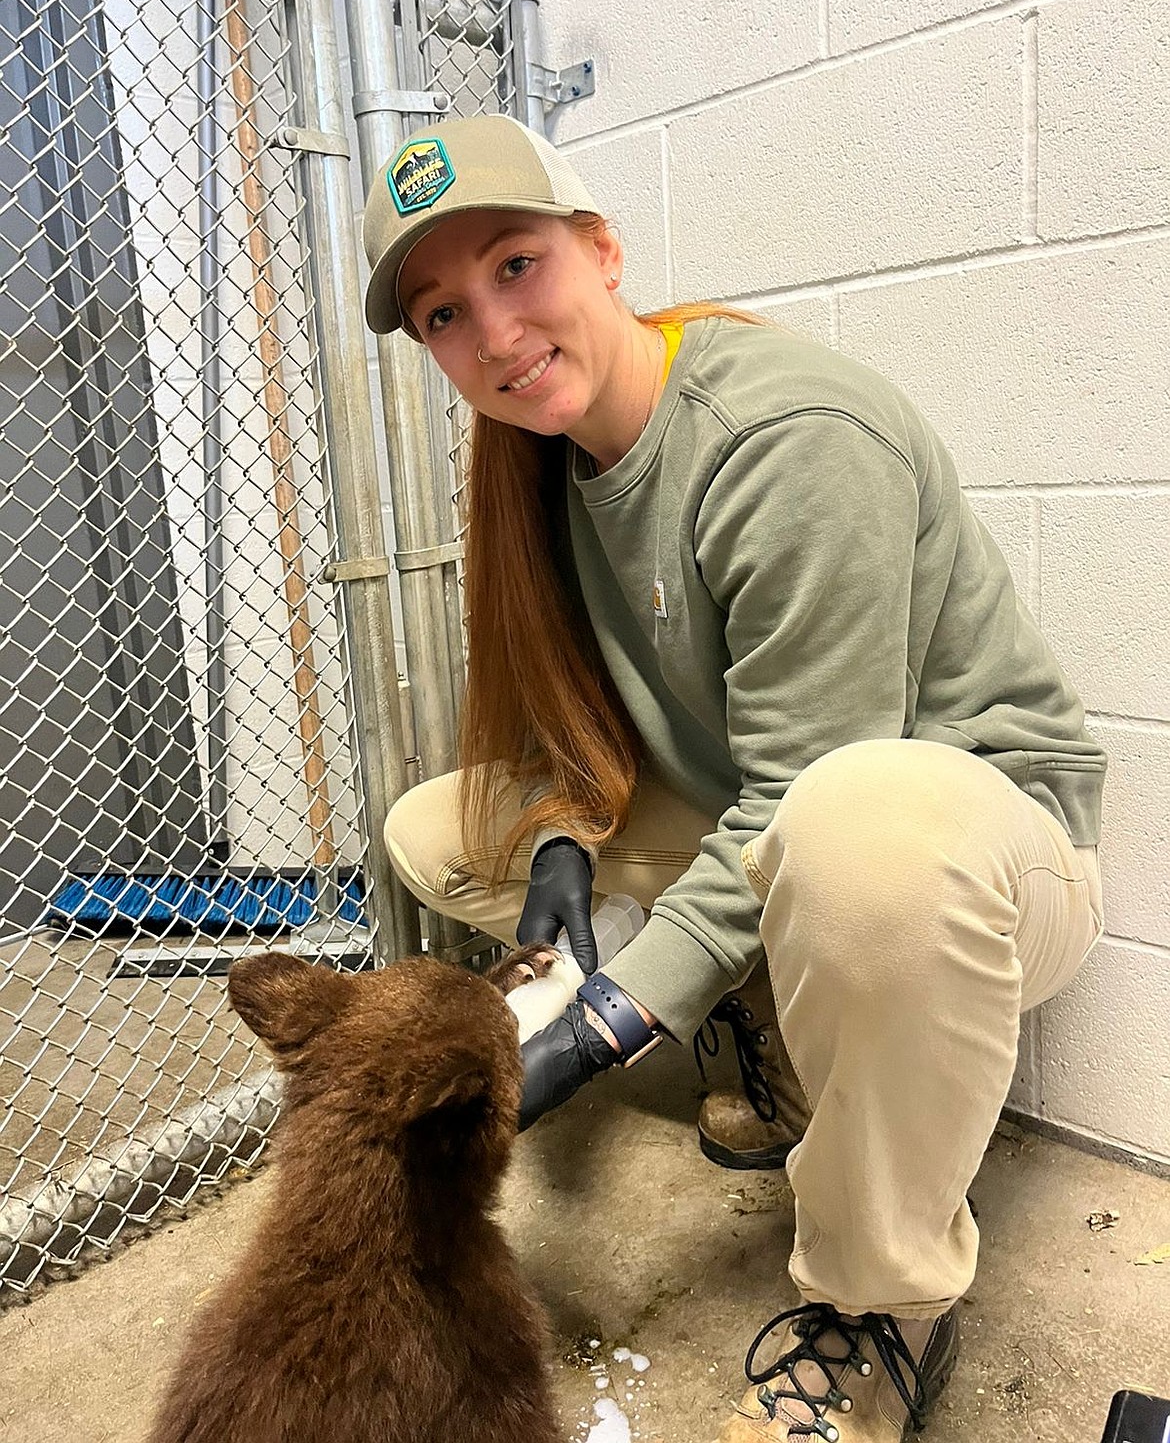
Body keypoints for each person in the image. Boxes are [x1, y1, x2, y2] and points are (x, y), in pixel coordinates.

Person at [362, 113, 1106, 1442]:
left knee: (852, 833)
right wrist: (553, 851)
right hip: (795, 823)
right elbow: (570, 734)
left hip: (971, 851)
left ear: (601, 251)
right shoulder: (541, 470)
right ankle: (774, 1055)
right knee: (435, 825)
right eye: (441, 315)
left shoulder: (781, 438)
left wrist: (603, 1026)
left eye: (516, 267)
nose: (490, 333)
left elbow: (805, 791)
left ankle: (882, 1304)